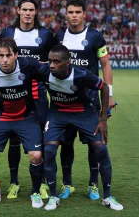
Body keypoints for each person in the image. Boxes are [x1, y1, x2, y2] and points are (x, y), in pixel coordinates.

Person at [42, 45, 123, 211]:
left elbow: (104, 87)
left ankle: (107, 196)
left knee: (101, 149)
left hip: (83, 112)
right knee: (49, 151)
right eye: (50, 61)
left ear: (67, 63)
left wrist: (103, 120)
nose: (51, 65)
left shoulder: (82, 74)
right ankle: (53, 196)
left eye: (56, 62)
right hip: (58, 113)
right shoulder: (44, 71)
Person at [54, 0, 115, 200]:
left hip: (90, 100)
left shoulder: (95, 36)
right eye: (70, 12)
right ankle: (68, 184)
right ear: (66, 14)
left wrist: (111, 94)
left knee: (94, 144)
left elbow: (105, 65)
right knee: (66, 143)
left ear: (84, 14)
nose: (74, 16)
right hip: (65, 99)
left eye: (77, 12)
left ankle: (93, 184)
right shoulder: (59, 35)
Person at [0, 0, 54, 199]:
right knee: (14, 137)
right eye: (25, 9)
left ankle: (43, 183)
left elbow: (53, 60)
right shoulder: (8, 32)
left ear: (36, 12)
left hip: (38, 92)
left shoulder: (46, 34)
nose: (28, 13)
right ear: (18, 11)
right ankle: (14, 182)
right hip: (14, 92)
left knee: (42, 137)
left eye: (32, 9)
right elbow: (0, 57)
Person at [0, 38, 45, 208]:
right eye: (0, 55)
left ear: (16, 55)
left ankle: (36, 192)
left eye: (8, 55)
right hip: (1, 117)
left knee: (36, 155)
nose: (4, 59)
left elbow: (50, 72)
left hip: (26, 117)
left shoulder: (28, 65)